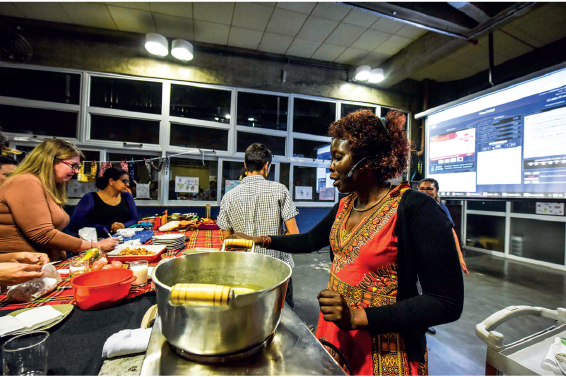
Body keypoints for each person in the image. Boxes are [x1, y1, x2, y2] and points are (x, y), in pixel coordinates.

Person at [229, 110, 464, 376]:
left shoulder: (416, 208)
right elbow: (309, 240)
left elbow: (446, 302)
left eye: (338, 158)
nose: (330, 166)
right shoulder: (346, 204)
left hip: (385, 349)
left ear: (368, 161)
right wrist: (258, 240)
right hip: (337, 333)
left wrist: (358, 316)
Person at [0, 139, 118, 261]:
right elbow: (43, 234)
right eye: (73, 165)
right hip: (23, 269)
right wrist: (95, 245)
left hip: (42, 266)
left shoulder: (43, 186)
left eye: (78, 167)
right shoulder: (26, 181)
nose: (76, 171)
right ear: (50, 160)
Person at [217, 143, 300, 307]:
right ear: (266, 166)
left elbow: (227, 242)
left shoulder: (229, 196)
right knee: (283, 315)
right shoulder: (280, 190)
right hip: (278, 269)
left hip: (244, 270)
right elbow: (294, 234)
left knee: (250, 316)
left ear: (245, 165)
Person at [418, 178, 469, 275]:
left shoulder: (441, 208)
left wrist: (460, 257)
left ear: (436, 191)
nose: (425, 192)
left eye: (429, 189)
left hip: (435, 254)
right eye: (422, 189)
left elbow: (451, 232)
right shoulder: (411, 207)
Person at [68, 167, 138, 238]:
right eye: (124, 181)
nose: (128, 185)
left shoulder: (127, 196)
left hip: (121, 240)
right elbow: (75, 225)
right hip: (93, 242)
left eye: (128, 182)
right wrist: (108, 227)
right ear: (111, 181)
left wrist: (123, 226)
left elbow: (134, 219)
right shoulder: (90, 198)